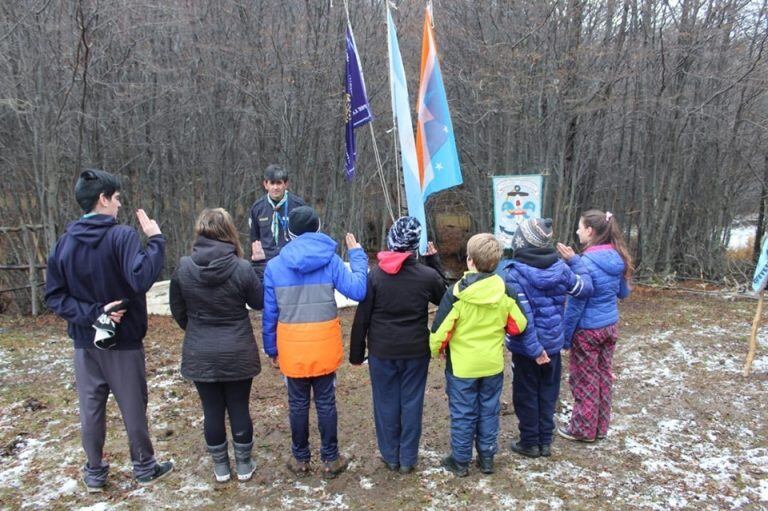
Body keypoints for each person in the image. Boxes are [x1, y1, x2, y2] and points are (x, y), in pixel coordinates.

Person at [44, 169, 173, 493]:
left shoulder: (64, 243)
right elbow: (140, 279)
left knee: (90, 410)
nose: (118, 206)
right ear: (103, 199)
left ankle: (95, 474)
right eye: (116, 199)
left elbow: (54, 296)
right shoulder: (123, 236)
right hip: (123, 341)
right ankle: (144, 467)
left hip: (84, 343)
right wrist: (155, 240)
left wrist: (90, 315)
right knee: (133, 407)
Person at [262, 206, 367, 478]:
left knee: (297, 404)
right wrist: (356, 256)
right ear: (318, 227)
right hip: (324, 344)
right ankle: (330, 459)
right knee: (326, 403)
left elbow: (270, 313)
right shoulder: (330, 261)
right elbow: (358, 290)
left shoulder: (274, 267)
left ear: (289, 232)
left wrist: (271, 348)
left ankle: (300, 458)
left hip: (291, 346)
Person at [169, 208, 264, 483]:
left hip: (201, 349)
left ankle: (221, 467)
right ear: (229, 232)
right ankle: (244, 464)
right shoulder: (242, 267)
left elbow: (178, 309)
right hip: (238, 348)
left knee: (211, 410)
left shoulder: (184, 266)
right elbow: (259, 302)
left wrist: (198, 330)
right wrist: (258, 266)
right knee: (239, 407)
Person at [349, 217, 447, 474]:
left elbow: (363, 317)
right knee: (411, 403)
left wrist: (357, 354)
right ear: (415, 245)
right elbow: (447, 301)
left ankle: (391, 455)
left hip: (383, 351)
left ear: (392, 240)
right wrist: (434, 263)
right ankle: (407, 458)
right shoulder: (427, 276)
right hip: (415, 351)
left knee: (385, 402)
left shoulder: (376, 276)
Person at [430, 233, 528, 477]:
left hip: (462, 368)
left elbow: (437, 336)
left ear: (469, 260)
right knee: (489, 410)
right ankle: (486, 459)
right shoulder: (506, 291)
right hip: (492, 366)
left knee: (463, 413)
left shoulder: (456, 294)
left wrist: (439, 350)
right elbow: (519, 324)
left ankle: (461, 461)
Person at [498, 218, 593, 459]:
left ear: (522, 242)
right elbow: (584, 288)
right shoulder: (561, 268)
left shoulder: (514, 273)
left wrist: (534, 349)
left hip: (526, 349)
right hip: (551, 346)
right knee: (548, 392)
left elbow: (524, 317)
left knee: (526, 393)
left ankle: (531, 442)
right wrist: (575, 262)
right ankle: (544, 441)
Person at [557, 209, 632, 442]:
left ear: (590, 231)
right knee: (603, 377)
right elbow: (623, 292)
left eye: (580, 227)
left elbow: (575, 307)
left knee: (584, 380)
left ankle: (583, 429)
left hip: (588, 331)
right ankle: (600, 427)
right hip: (610, 326)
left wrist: (566, 338)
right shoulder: (618, 257)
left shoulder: (585, 263)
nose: (577, 231)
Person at [248, 164, 306, 280]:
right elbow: (255, 240)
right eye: (272, 183)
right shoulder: (257, 208)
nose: (275, 187)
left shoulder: (299, 206)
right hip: (267, 267)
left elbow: (305, 238)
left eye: (279, 183)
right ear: (266, 185)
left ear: (286, 184)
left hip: (292, 266)